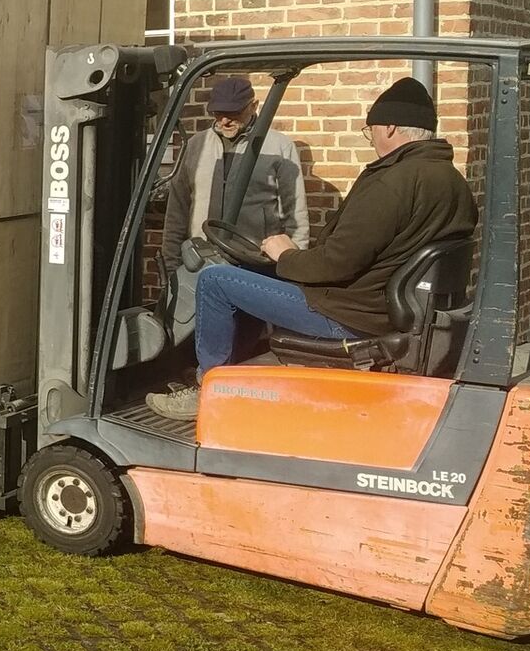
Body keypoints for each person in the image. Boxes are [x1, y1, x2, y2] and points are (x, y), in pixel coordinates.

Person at [147, 76, 477, 420]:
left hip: (344, 314)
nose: (372, 138)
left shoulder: (393, 183)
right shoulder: (451, 182)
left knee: (215, 281)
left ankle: (207, 391)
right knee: (244, 275)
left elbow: (336, 262)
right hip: (378, 307)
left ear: (390, 127)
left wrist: (285, 254)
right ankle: (229, 375)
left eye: (371, 130)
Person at [160, 74, 309, 341]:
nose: (225, 121)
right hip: (201, 263)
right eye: (218, 113)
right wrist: (172, 264)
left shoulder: (278, 147)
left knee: (247, 340)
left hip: (254, 264)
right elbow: (177, 209)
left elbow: (295, 213)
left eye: (234, 113)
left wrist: (295, 270)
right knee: (196, 338)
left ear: (254, 106)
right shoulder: (196, 146)